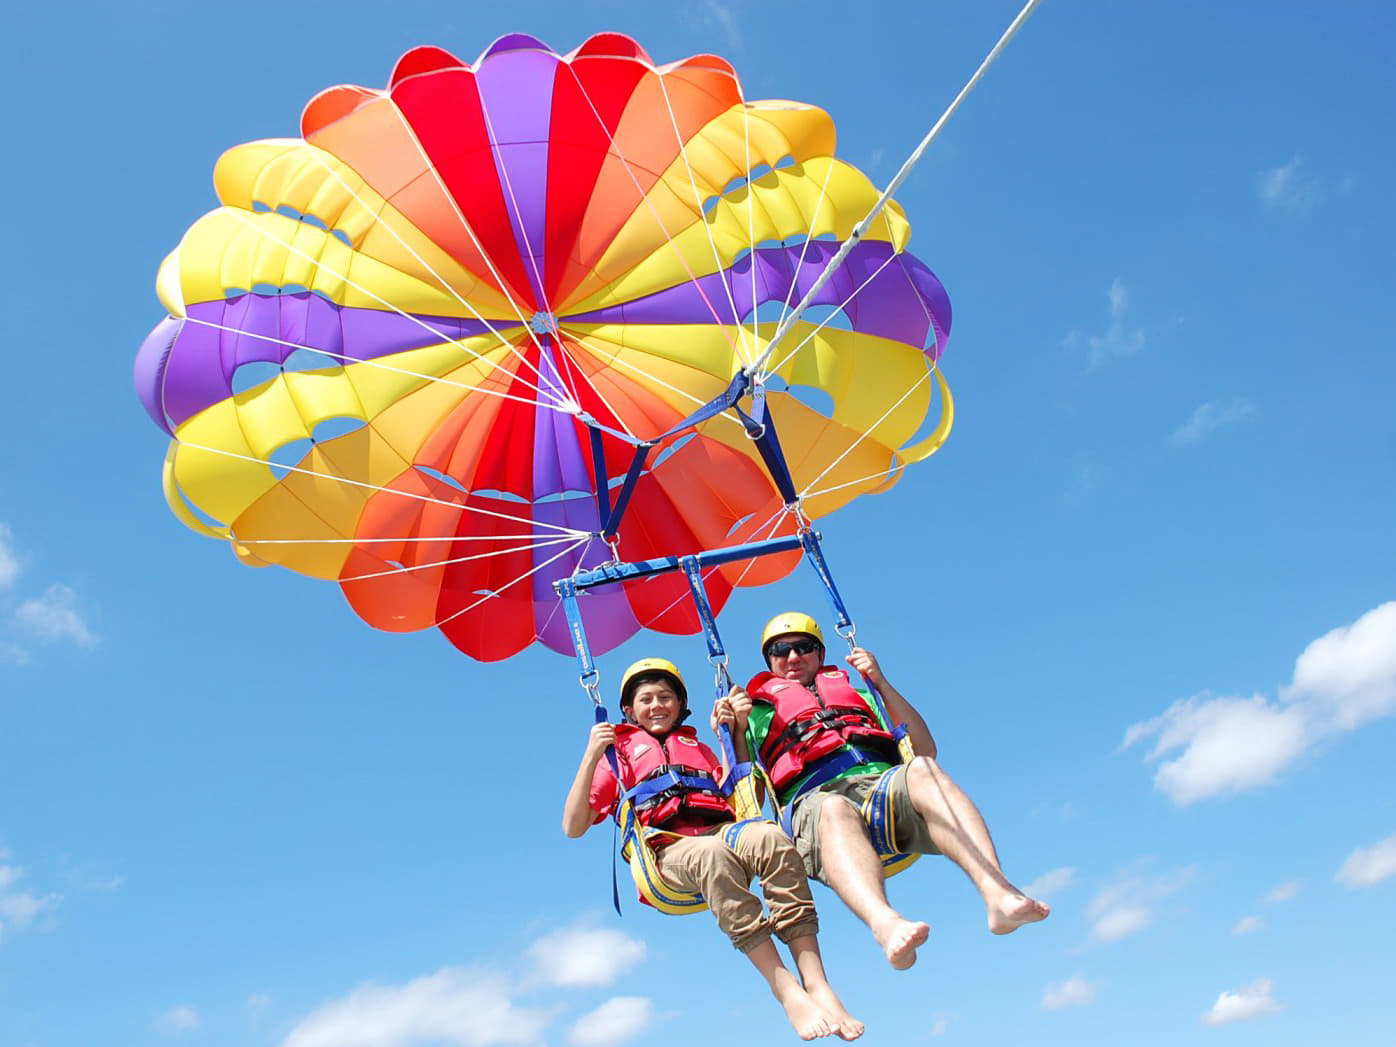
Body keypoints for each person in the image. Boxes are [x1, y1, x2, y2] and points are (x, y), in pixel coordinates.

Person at [562, 657, 863, 1041]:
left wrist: (734, 732)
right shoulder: (617, 754)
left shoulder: (698, 748)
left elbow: (744, 799)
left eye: (666, 697)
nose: (657, 706)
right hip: (669, 852)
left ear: (680, 704)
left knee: (769, 836)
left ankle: (817, 982)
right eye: (647, 699)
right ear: (629, 710)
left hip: (724, 833)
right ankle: (785, 987)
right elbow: (573, 827)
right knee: (711, 854)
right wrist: (591, 754)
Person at [742, 613, 1049, 971]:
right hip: (816, 801)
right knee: (833, 808)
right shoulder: (753, 715)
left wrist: (879, 682)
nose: (793, 657)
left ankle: (997, 893)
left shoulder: (858, 695)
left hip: (881, 790)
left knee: (924, 770)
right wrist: (731, 730)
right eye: (780, 650)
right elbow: (751, 801)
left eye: (803, 647)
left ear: (820, 654)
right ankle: (885, 924)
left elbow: (924, 748)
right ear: (770, 660)